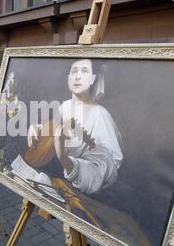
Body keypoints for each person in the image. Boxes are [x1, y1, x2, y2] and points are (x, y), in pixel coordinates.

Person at [27, 59, 123, 195]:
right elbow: (53, 131)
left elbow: (103, 170)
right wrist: (37, 129)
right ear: (68, 78)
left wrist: (64, 159)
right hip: (51, 178)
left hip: (77, 193)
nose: (77, 76)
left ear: (92, 79)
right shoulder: (64, 106)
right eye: (74, 72)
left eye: (84, 71)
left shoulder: (100, 115)